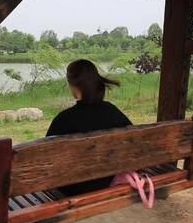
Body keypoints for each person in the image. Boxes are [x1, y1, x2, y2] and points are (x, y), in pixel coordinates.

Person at [46, 59, 133, 196]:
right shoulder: (112, 111)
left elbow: (47, 159)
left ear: (73, 86)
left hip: (74, 188)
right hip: (107, 180)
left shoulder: (63, 119)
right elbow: (133, 142)